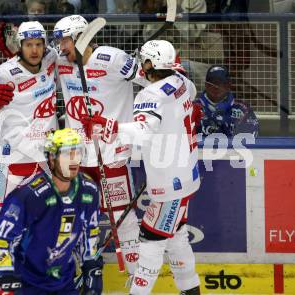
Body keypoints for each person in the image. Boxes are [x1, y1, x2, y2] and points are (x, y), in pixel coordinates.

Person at [82, 40, 201, 295]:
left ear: (148, 64)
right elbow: (186, 94)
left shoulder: (150, 96)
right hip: (187, 176)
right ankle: (190, 290)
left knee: (150, 240)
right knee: (177, 236)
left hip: (170, 184)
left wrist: (109, 127)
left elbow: (143, 132)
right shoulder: (181, 82)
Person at [53, 14, 148, 277]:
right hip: (78, 157)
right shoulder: (61, 61)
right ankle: (79, 272)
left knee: (122, 216)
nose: (61, 48)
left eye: (65, 41)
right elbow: (33, 65)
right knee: (75, 215)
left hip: (112, 153)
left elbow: (151, 79)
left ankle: (136, 277)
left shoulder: (112, 59)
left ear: (83, 37)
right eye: (59, 42)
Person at [0, 21, 58, 295]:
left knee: (48, 221)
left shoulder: (51, 59)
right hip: (12, 163)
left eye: (38, 44)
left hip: (45, 161)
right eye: (29, 45)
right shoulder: (4, 74)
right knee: (3, 222)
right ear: (20, 46)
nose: (34, 50)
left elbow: (71, 50)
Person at [0, 128, 103, 294]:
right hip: (26, 284)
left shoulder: (89, 190)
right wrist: (4, 274)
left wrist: (92, 268)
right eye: (66, 154)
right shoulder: (29, 195)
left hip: (64, 283)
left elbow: (90, 234)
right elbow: (2, 238)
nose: (73, 160)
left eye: (77, 153)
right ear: (51, 158)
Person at [194, 65, 259, 137]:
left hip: (233, 147)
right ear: (206, 85)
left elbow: (252, 136)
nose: (216, 87)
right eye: (212, 83)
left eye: (221, 83)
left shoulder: (243, 109)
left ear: (228, 85)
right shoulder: (192, 108)